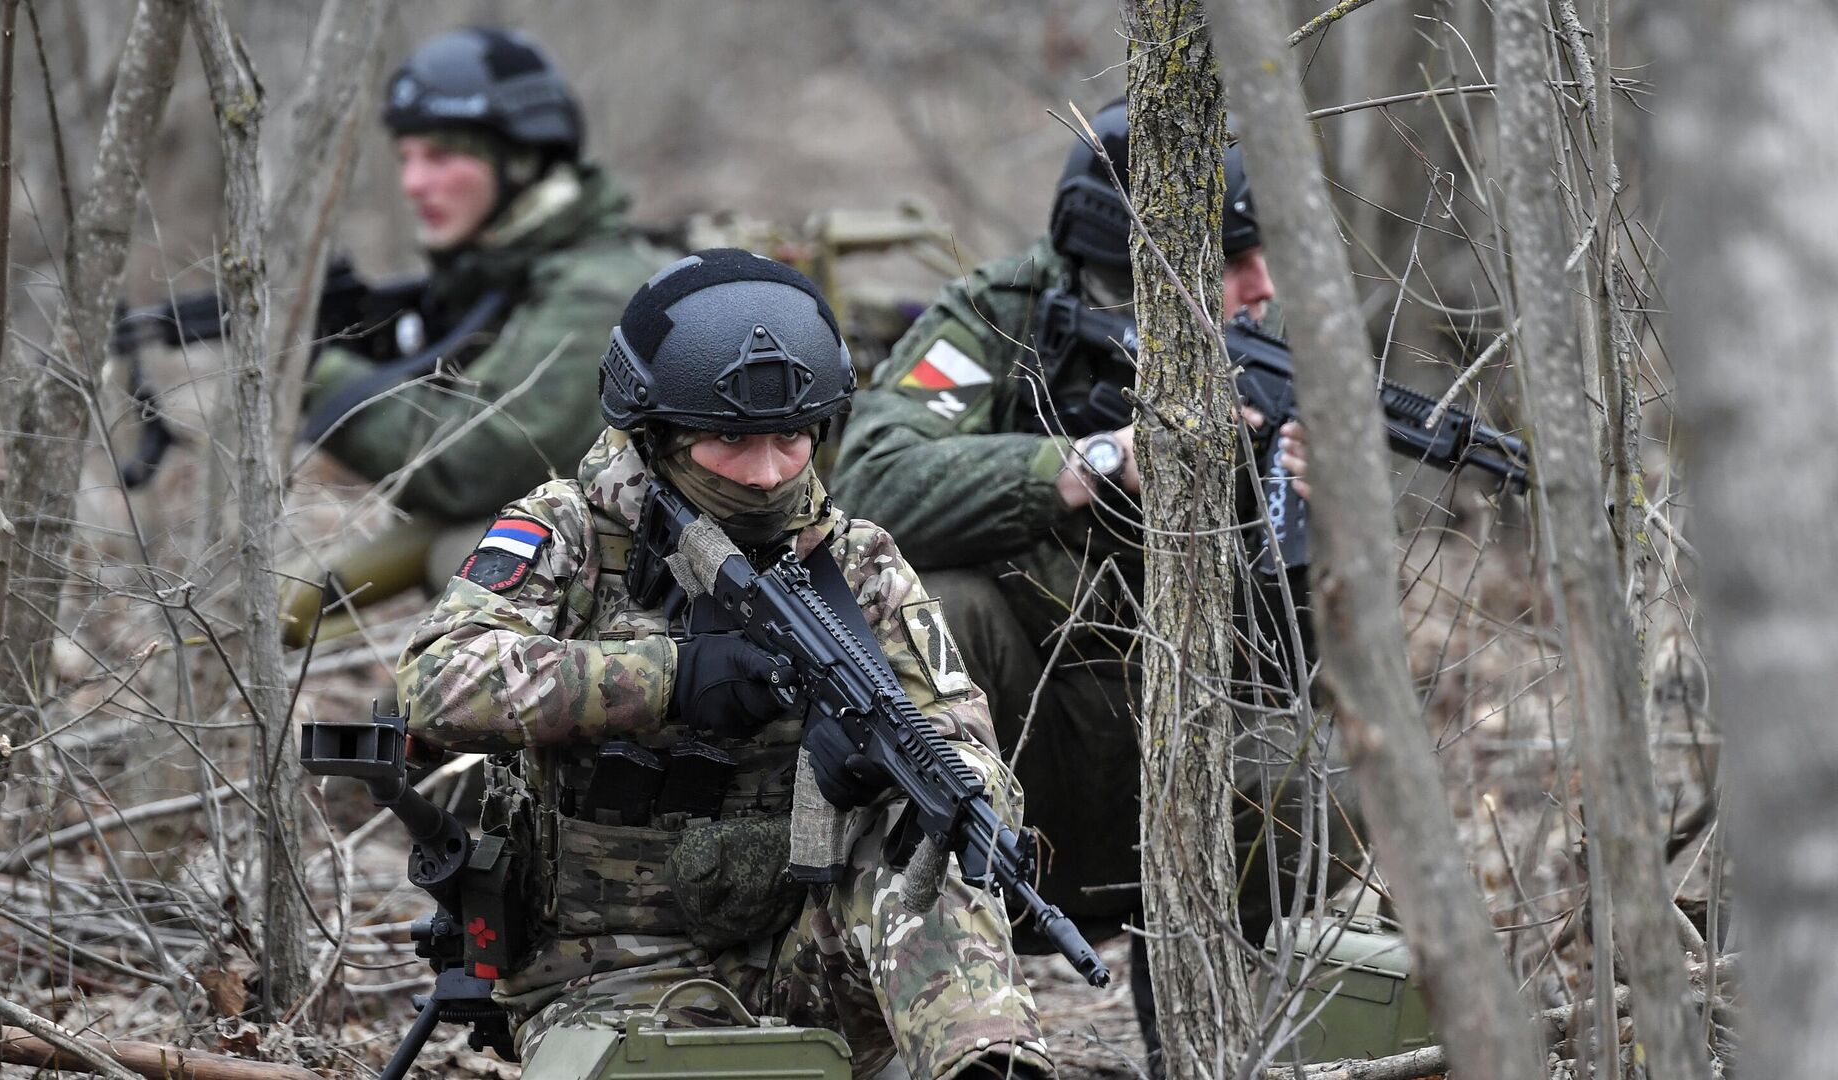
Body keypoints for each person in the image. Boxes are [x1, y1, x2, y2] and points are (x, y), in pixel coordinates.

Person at [396, 249, 1054, 1080]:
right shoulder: (568, 534)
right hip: (604, 969)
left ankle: (986, 1061)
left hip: (811, 956)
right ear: (659, 434)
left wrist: (878, 768)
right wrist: (669, 679)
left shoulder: (859, 564)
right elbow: (437, 682)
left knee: (934, 832)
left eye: (789, 438)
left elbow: (964, 743)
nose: (769, 471)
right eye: (730, 442)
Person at [830, 100, 1364, 1049]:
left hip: (1169, 765)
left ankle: (1202, 1045)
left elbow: (1287, 673)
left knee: (1310, 772)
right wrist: (1094, 462)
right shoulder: (999, 320)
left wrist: (1312, 528)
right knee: (941, 609)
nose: (1261, 285)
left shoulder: (1271, 365)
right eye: (1236, 259)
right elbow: (872, 484)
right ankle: (940, 1021)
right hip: (1010, 757)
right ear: (1145, 269)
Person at [282, 26, 671, 647]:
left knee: (464, 551)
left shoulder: (596, 287)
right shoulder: (507, 268)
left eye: (440, 156)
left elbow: (473, 465)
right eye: (406, 156)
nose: (412, 182)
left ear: (519, 161)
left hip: (669, 580)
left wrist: (312, 374)